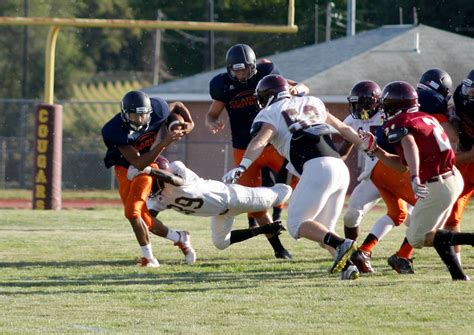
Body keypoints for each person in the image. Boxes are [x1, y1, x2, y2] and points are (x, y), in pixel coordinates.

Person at [223, 74, 371, 280]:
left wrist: (243, 165)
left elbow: (260, 139)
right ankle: (350, 266)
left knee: (296, 225)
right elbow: (345, 129)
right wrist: (367, 147)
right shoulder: (312, 102)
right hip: (339, 167)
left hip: (317, 168)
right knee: (323, 232)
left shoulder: (270, 112)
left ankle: (343, 246)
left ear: (265, 96)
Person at [362, 81, 474, 281]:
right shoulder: (425, 117)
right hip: (452, 177)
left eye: (386, 104)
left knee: (417, 238)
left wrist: (415, 176)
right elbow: (402, 164)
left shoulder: (398, 123)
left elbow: (410, 145)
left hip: (438, 183)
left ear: (395, 105)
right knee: (433, 233)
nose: (384, 109)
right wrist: (377, 152)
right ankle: (458, 275)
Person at [206, 43, 308, 259]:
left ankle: (291, 214)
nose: (241, 74)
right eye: (237, 70)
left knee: (301, 178)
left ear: (254, 66)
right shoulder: (222, 86)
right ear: (229, 69)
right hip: (244, 149)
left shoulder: (266, 74)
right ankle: (279, 249)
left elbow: (302, 87)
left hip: (273, 144)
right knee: (254, 203)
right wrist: (211, 122)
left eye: (245, 69)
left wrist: (295, 90)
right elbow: (211, 114)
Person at [101, 90, 196, 268]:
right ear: (124, 114)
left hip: (148, 167)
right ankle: (180, 238)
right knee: (143, 218)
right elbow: (137, 162)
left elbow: (177, 105)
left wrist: (186, 124)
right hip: (127, 167)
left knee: (132, 212)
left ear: (149, 112)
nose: (139, 120)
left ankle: (149, 259)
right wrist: (164, 142)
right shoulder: (113, 129)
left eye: (143, 115)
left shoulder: (158, 108)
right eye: (134, 116)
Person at [127, 156, 291, 255]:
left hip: (232, 197)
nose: (153, 189)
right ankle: (265, 229)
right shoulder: (158, 198)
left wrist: (148, 170)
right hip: (220, 213)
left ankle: (291, 159)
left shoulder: (176, 169)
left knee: (281, 194)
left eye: (154, 183)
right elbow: (147, 221)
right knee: (221, 243)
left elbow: (175, 180)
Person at [338, 80, 385, 242]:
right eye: (354, 104)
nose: (356, 109)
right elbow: (343, 151)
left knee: (412, 220)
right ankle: (351, 251)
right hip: (373, 176)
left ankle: (404, 255)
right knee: (351, 214)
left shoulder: (388, 115)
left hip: (399, 174)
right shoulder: (352, 121)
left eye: (359, 104)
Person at [443, 69, 474, 265]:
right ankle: (457, 263)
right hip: (467, 158)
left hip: (468, 156)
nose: (469, 94)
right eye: (469, 88)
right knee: (452, 211)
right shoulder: (461, 96)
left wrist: (446, 160)